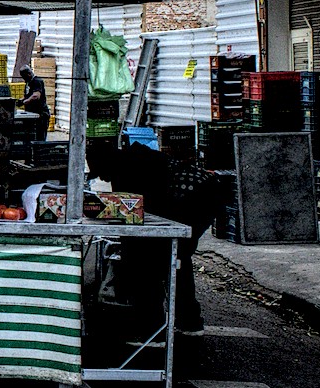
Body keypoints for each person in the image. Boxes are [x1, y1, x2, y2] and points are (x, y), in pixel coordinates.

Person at [85, 139, 224, 340]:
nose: (102, 178)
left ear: (106, 163)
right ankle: (186, 322)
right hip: (199, 196)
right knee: (174, 259)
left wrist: (129, 256)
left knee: (154, 261)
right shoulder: (133, 160)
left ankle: (152, 330)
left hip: (192, 202)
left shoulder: (127, 169)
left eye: (100, 172)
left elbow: (134, 218)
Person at [19, 65, 50, 141]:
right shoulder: (28, 83)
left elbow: (36, 96)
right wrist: (20, 100)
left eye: (24, 77)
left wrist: (25, 101)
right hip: (32, 114)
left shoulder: (37, 81)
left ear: (29, 74)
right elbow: (28, 95)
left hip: (40, 114)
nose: (23, 79)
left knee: (40, 138)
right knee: (30, 137)